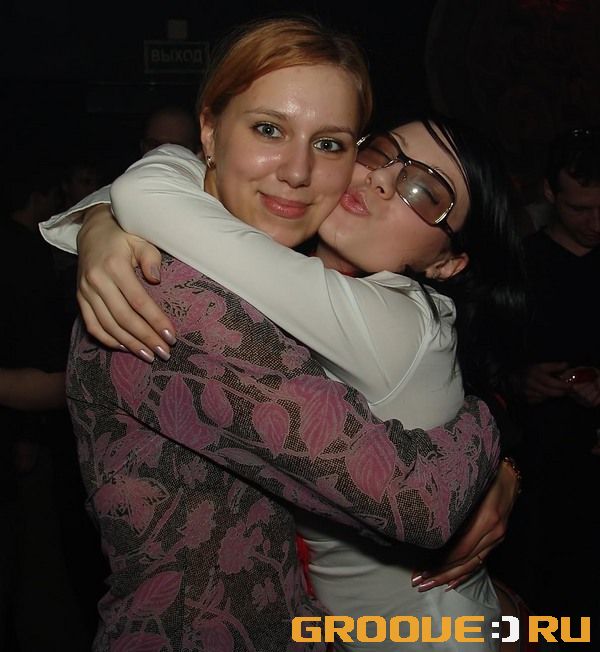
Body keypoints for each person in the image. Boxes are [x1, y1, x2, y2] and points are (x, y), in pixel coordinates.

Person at [40, 16, 502, 651]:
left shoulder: (301, 275)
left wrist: (100, 215)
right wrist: (489, 425)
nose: (297, 171)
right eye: (268, 129)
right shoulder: (171, 296)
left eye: (331, 144)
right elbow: (421, 501)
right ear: (209, 130)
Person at [498, 127, 599, 647]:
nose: (596, 223)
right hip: (539, 476)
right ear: (549, 193)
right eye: (581, 209)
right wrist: (518, 381)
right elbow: (477, 366)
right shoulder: (517, 268)